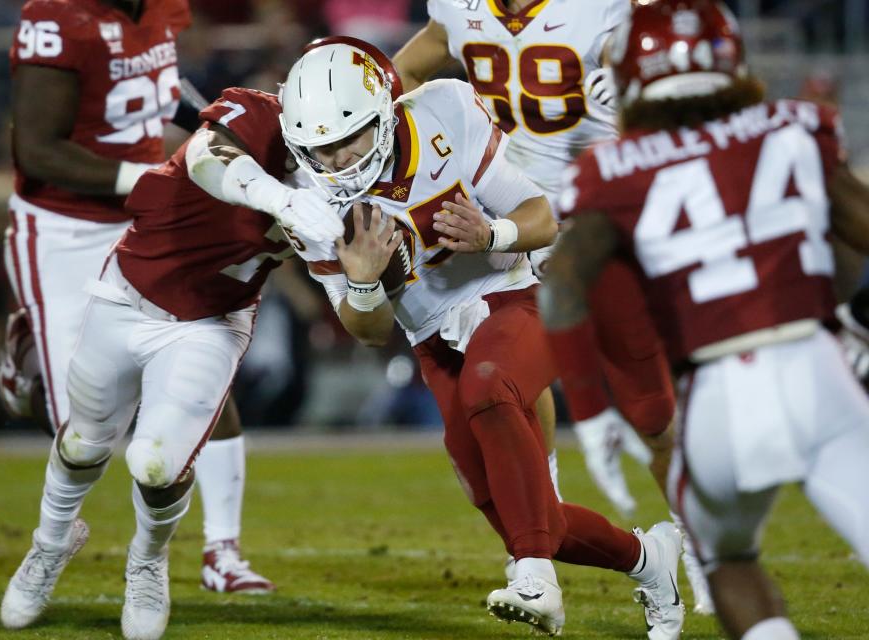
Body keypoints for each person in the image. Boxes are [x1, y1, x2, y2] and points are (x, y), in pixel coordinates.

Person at [241, 36, 682, 638]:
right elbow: (368, 332)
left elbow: (542, 215)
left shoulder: (444, 113)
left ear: (385, 111)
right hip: (430, 336)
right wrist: (367, 285)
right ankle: (649, 560)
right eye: (323, 149)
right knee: (530, 516)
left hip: (516, 293)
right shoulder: (308, 203)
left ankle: (534, 580)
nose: (340, 159)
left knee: (491, 384)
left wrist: (492, 233)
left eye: (351, 137)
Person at [539, 2, 869, 639]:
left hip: (716, 400)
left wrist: (592, 407)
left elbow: (563, 289)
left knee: (727, 558)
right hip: (815, 368)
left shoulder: (609, 170)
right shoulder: (795, 126)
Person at [392, 0, 713, 613]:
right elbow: (399, 81)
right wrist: (448, 155)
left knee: (649, 410)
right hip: (511, 217)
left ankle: (695, 536)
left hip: (594, 218)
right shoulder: (461, 10)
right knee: (509, 377)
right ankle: (537, 537)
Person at [0, 84, 343, 639]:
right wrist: (280, 198)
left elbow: (357, 312)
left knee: (157, 464)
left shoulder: (361, 188)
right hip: (126, 292)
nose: (339, 152)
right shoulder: (258, 115)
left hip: (210, 321)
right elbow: (209, 156)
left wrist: (367, 278)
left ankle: (147, 560)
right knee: (83, 441)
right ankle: (49, 544)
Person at [0, 0, 273, 593]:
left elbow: (157, 83)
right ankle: (29, 347)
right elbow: (37, 151)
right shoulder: (57, 18)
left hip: (142, 217)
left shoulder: (163, 9)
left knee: (203, 357)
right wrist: (147, 177)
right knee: (85, 426)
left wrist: (211, 125)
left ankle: (223, 550)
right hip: (63, 226)